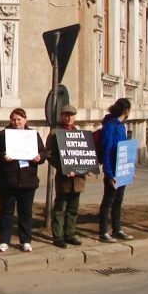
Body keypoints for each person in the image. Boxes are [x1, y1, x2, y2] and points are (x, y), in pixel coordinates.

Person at [0, 108, 46, 253]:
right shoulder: (2, 135)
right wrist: (3, 156)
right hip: (7, 181)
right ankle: (4, 240)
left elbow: (43, 153)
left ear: (25, 120)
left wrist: (39, 158)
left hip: (28, 181)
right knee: (6, 212)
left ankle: (26, 241)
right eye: (14, 119)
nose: (16, 122)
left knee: (26, 213)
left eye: (19, 120)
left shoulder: (33, 135)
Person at [46, 104, 86, 248]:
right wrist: (63, 167)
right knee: (60, 208)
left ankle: (70, 233)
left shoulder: (79, 133)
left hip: (78, 179)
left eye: (72, 115)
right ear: (62, 116)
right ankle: (58, 236)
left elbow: (85, 153)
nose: (69, 118)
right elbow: (50, 154)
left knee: (73, 209)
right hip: (64, 178)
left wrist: (87, 166)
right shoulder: (55, 133)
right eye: (66, 115)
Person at [98, 98, 134, 243]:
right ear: (126, 111)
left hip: (122, 169)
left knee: (118, 200)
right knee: (108, 200)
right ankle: (103, 232)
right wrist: (109, 174)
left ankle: (117, 228)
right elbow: (107, 150)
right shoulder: (110, 126)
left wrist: (128, 168)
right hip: (112, 170)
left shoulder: (121, 126)